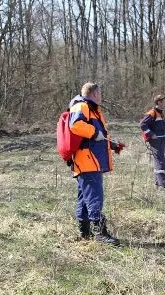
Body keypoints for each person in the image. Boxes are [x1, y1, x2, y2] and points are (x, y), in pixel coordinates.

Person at [69, 82, 120, 246]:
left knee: (84, 198)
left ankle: (85, 232)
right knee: (94, 198)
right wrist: (94, 132)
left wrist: (110, 144)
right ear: (94, 94)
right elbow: (76, 125)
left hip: (89, 161)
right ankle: (100, 233)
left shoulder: (91, 109)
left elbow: (95, 136)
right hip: (88, 161)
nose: (101, 96)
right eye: (100, 93)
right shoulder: (82, 106)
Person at [140, 95, 165, 190]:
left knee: (161, 162)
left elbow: (162, 130)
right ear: (159, 102)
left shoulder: (161, 114)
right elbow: (142, 125)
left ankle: (158, 184)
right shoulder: (152, 113)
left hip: (162, 140)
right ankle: (163, 186)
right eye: (163, 101)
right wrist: (151, 134)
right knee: (160, 162)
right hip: (155, 142)